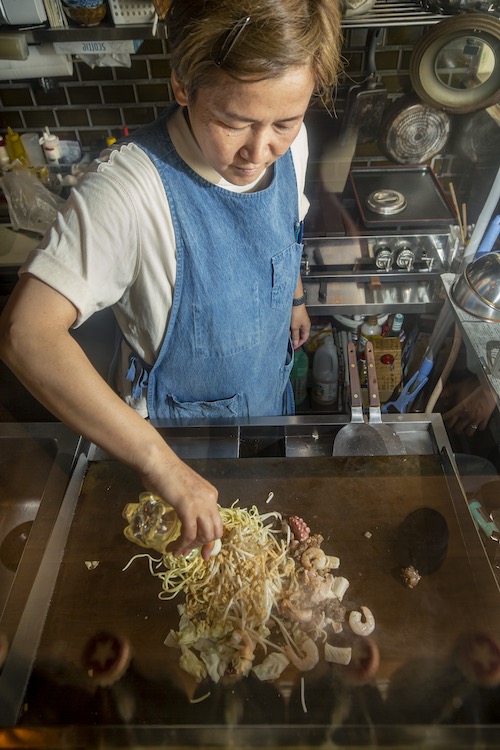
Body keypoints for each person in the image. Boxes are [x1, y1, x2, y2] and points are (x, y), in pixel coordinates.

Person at [0, 0, 343, 558]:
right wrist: (159, 463)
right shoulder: (128, 189)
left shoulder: (288, 146)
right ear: (183, 85)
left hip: (266, 412)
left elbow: (287, 227)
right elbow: (25, 333)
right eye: (233, 122)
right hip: (181, 460)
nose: (259, 151)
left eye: (284, 121)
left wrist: (295, 298)